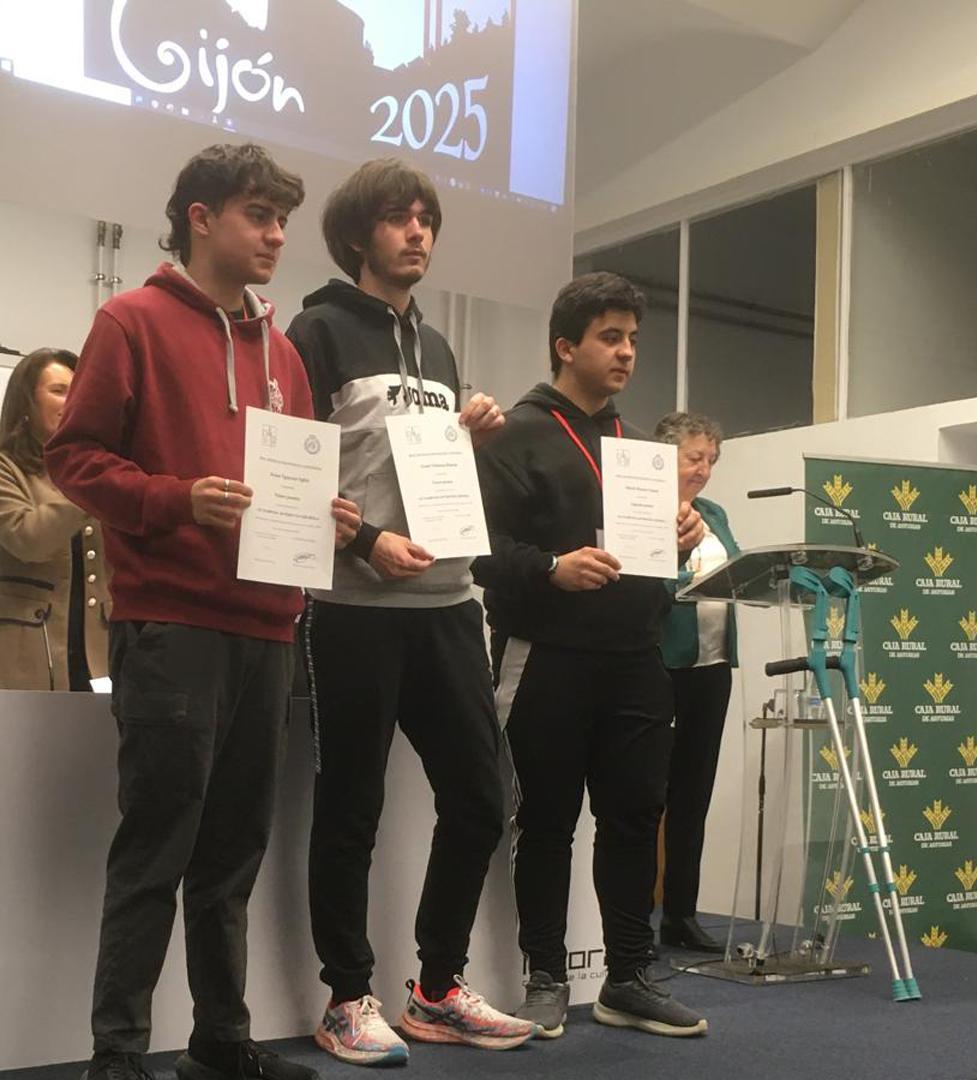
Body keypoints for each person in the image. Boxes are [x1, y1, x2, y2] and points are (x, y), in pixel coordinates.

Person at [46, 142, 359, 1080]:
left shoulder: (286, 353)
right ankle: (118, 1053)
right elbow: (77, 459)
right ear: (200, 217)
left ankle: (222, 1041)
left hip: (268, 623)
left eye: (281, 222)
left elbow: (293, 475)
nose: (275, 237)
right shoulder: (130, 320)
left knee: (232, 854)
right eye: (259, 217)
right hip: (172, 623)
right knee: (157, 845)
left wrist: (327, 515)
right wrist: (177, 499)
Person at [286, 158, 530, 1066]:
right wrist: (363, 543)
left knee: (480, 795)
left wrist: (468, 438)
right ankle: (347, 997)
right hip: (353, 606)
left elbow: (426, 472)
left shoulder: (438, 348)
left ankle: (435, 990)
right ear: (359, 236)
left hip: (445, 603)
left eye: (426, 218)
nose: (417, 232)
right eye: (398, 218)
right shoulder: (315, 332)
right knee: (351, 806)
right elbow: (293, 476)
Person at [472, 271, 710, 1040]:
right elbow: (479, 551)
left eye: (633, 339)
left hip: (636, 656)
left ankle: (628, 977)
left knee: (637, 818)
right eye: (610, 337)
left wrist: (680, 539)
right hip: (547, 653)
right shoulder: (513, 435)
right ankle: (545, 976)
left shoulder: (641, 450)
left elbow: (655, 557)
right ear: (565, 345)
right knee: (546, 822)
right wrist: (551, 567)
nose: (627, 353)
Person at [0, 347, 111, 691]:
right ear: (26, 405)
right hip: (22, 651)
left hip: (100, 650)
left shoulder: (100, 467)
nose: (71, 402)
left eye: (77, 392)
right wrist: (90, 483)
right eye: (59, 391)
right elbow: (29, 540)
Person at [653, 411, 741, 953]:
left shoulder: (715, 512)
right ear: (665, 458)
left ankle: (680, 914)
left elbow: (736, 571)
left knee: (693, 794)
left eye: (711, 459)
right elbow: (652, 587)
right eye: (694, 458)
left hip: (712, 669)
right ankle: (633, 914)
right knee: (647, 796)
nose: (704, 469)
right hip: (660, 665)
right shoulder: (642, 512)